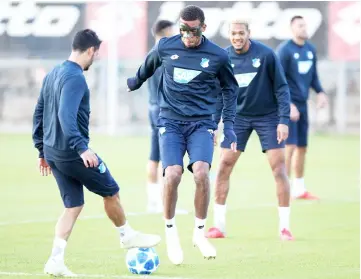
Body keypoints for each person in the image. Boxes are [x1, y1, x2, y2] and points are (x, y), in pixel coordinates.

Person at [32, 29, 161, 277]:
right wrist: (82, 148)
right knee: (111, 192)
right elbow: (64, 116)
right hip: (72, 152)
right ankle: (126, 235)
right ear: (91, 50)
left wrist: (41, 150)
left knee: (73, 205)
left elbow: (39, 113)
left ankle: (55, 260)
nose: (96, 59)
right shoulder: (75, 77)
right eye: (96, 54)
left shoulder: (53, 74)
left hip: (54, 152)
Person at [127, 5, 238, 264]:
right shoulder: (166, 46)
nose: (188, 35)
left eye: (193, 30)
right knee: (173, 174)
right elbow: (149, 65)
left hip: (202, 122)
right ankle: (171, 231)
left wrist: (229, 125)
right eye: (183, 30)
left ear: (204, 28)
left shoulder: (218, 56)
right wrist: (136, 80)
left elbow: (230, 90)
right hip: (170, 121)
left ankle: (199, 233)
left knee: (201, 172)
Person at [206, 19, 293, 241]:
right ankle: (219, 226)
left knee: (278, 169)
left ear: (248, 33)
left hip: (268, 117)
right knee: (224, 166)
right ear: (229, 34)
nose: (237, 37)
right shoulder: (223, 58)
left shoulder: (266, 55)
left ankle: (284, 228)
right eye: (233, 33)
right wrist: (214, 124)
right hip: (237, 120)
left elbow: (281, 88)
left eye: (241, 33)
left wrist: (283, 120)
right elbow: (218, 94)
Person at [276, 15, 328, 200]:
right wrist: (288, 104)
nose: (304, 28)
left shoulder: (310, 50)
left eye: (305, 25)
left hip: (303, 106)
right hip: (289, 107)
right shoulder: (284, 50)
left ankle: (299, 188)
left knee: (302, 147)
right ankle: (285, 188)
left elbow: (313, 76)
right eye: (300, 26)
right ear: (292, 29)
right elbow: (278, 80)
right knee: (289, 147)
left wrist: (320, 92)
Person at [146, 20, 174, 213]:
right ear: (164, 33)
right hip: (163, 111)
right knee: (167, 158)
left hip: (153, 108)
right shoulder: (163, 54)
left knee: (154, 156)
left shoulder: (150, 54)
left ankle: (153, 202)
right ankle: (165, 203)